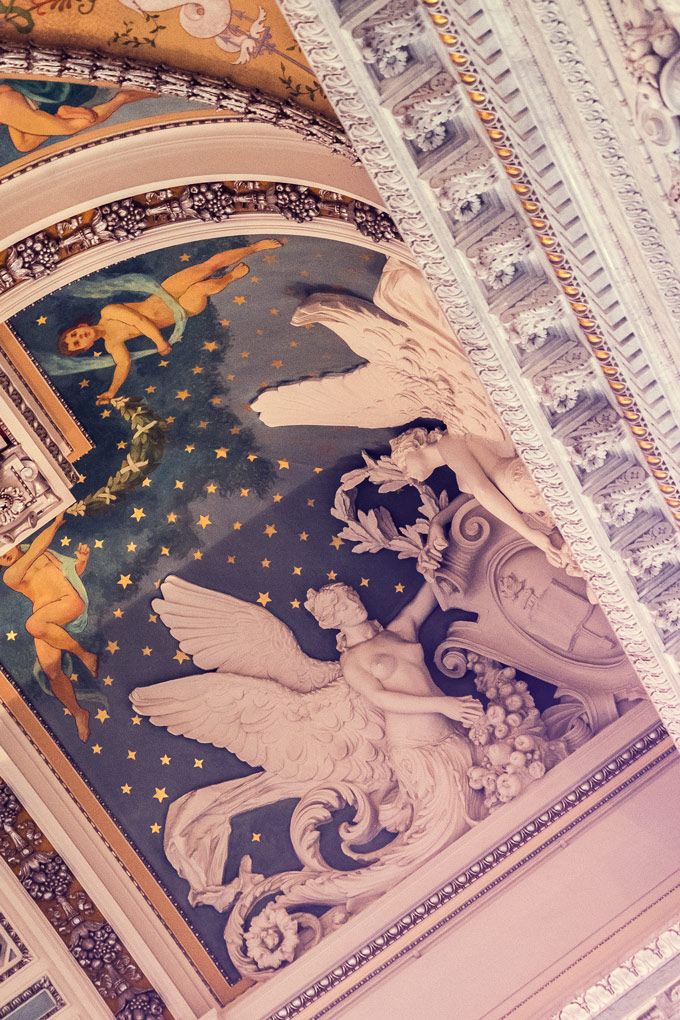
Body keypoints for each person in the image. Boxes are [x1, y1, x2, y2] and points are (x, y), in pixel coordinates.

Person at [56, 240, 282, 404]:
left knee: (208, 267)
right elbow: (123, 365)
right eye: (77, 343)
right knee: (202, 288)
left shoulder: (108, 312)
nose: (79, 338)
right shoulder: (112, 344)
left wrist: (160, 342)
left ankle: (254, 247)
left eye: (74, 334)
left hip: (165, 293)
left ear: (80, 326)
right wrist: (111, 391)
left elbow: (139, 320)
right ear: (86, 347)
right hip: (182, 310)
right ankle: (229, 278)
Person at [305, 580, 484, 743]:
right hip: (416, 744)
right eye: (344, 607)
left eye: (352, 597)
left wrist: (430, 564)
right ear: (334, 621)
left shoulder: (398, 631)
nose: (354, 604)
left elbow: (432, 591)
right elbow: (380, 698)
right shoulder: (351, 661)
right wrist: (442, 704)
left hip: (451, 725)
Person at [388, 426, 572, 572]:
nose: (407, 476)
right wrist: (437, 522)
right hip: (530, 493)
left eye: (403, 464)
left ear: (415, 446)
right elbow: (473, 495)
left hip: (523, 481)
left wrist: (529, 533)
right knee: (565, 554)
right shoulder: (458, 469)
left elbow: (482, 490)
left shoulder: (447, 443)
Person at [0, 513, 96, 742]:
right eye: (0, 557)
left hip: (67, 602)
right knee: (52, 670)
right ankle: (78, 713)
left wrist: (81, 561)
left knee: (33, 624)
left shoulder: (47, 553)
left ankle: (84, 654)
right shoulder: (10, 575)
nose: (4, 556)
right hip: (46, 618)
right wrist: (54, 525)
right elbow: (35, 549)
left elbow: (72, 573)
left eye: (3, 548)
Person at [0, 80, 148, 154]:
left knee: (68, 127)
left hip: (6, 105)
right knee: (23, 145)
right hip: (9, 107)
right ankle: (60, 115)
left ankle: (121, 99)